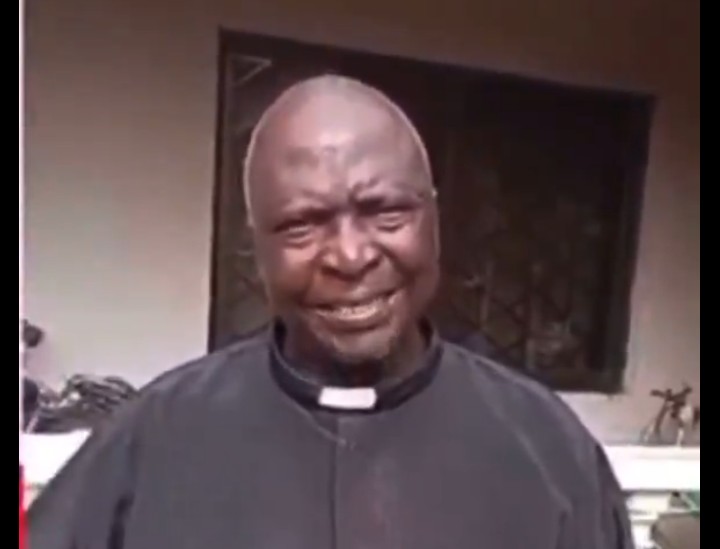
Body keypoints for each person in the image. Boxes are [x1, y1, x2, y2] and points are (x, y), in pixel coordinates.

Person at [28, 75, 634, 548]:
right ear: (256, 247)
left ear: (433, 217)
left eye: (387, 213)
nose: (350, 256)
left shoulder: (550, 452)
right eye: (302, 226)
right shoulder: (149, 445)